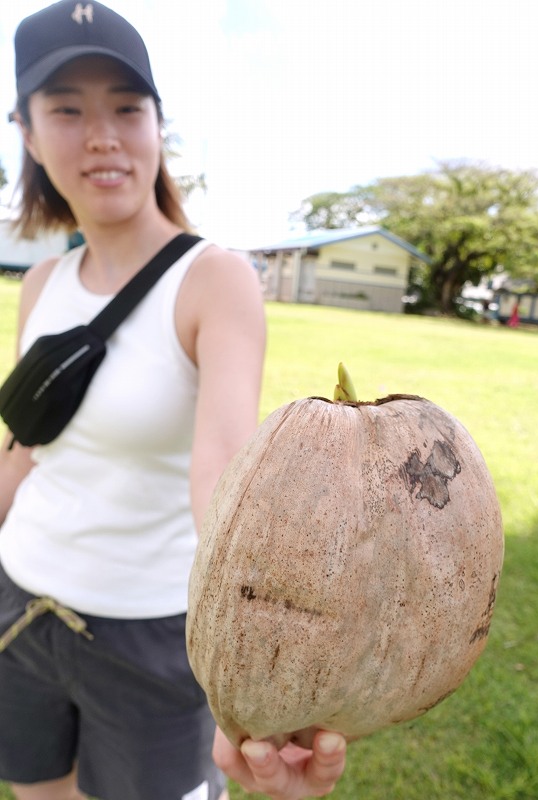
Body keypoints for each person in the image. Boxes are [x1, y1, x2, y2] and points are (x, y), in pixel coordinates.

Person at [0, 2, 347, 799]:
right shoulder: (44, 283)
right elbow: (27, 449)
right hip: (19, 605)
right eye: (67, 109)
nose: (103, 136)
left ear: (158, 126)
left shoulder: (214, 279)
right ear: (26, 130)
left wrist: (257, 673)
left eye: (127, 107)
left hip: (150, 638)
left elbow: (222, 476)